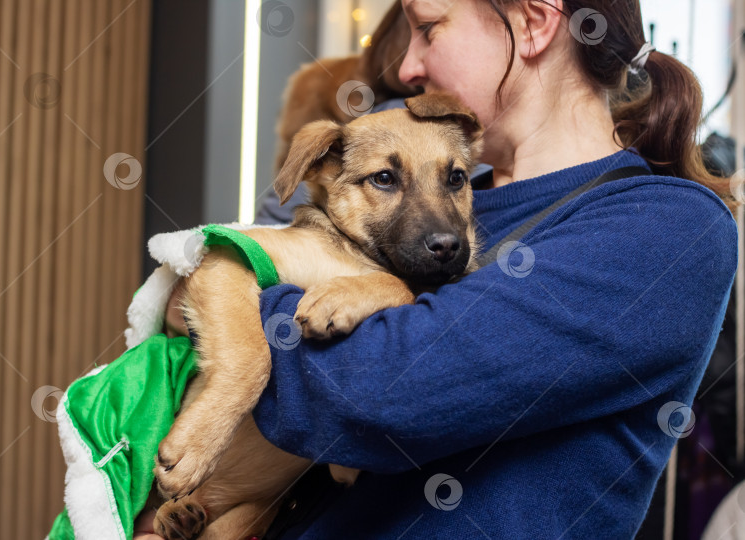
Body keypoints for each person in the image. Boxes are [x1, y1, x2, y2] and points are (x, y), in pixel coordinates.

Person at [146, 1, 739, 538]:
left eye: (428, 27)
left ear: (533, 22)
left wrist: (238, 295)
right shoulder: (450, 193)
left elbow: (382, 391)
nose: (405, 66)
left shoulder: (662, 226)